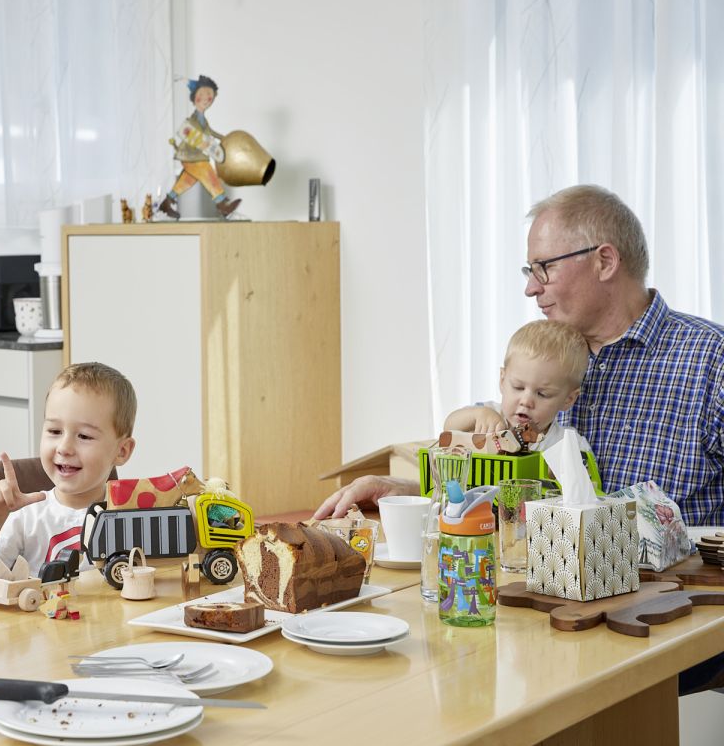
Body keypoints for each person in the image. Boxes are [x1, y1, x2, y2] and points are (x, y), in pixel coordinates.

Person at [315, 184, 724, 525]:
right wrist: (405, 493)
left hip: (670, 611)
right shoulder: (543, 356)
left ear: (604, 261)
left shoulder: (711, 360)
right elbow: (499, 487)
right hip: (533, 598)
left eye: (544, 268)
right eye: (529, 272)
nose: (531, 288)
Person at [0, 362, 136, 596]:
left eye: (85, 436)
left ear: (122, 451)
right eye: (55, 431)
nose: (65, 447)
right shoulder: (27, 517)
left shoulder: (134, 515)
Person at [443, 319, 591, 454]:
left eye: (542, 394)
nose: (526, 401)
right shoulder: (488, 416)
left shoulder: (569, 444)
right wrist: (478, 414)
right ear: (502, 380)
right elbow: (449, 427)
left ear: (568, 399)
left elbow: (586, 482)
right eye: (518, 387)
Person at [157, 75, 242, 220]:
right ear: (194, 97)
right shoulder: (192, 120)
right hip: (191, 156)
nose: (205, 99)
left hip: (196, 156)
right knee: (208, 173)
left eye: (210, 96)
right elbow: (187, 132)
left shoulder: (204, 120)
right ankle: (222, 205)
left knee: (186, 181)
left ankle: (166, 203)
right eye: (202, 95)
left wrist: (223, 138)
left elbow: (210, 132)